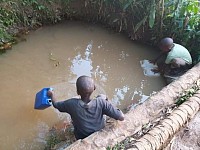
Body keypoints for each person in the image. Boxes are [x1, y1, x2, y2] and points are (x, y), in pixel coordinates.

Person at [48, 75, 124, 140]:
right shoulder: (101, 102)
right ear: (94, 88)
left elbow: (56, 105)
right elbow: (121, 117)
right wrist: (107, 102)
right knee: (101, 96)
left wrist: (51, 94)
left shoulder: (71, 104)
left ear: (77, 92)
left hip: (81, 136)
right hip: (99, 131)